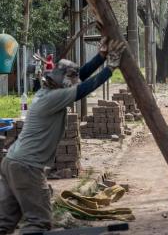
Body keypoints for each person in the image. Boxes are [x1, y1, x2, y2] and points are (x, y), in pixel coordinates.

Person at [0, 35, 126, 234]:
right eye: (71, 79)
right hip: (28, 167)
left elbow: (80, 76)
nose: (74, 81)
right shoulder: (56, 97)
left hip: (11, 163)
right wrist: (110, 68)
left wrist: (101, 56)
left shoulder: (48, 90)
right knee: (38, 222)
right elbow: (84, 87)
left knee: (5, 223)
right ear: (65, 82)